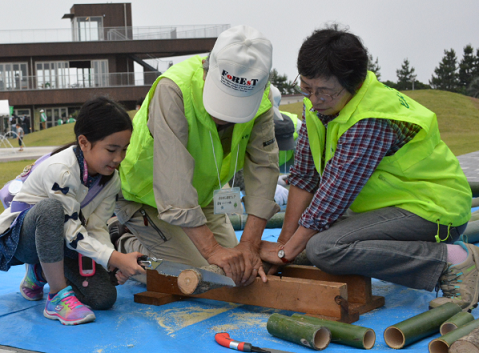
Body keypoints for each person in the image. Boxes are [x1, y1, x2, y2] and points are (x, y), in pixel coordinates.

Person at [260, 25, 478, 312]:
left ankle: (454, 260)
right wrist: (285, 244)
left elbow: (331, 200)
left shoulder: (371, 118)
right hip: (391, 208)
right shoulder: (319, 107)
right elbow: (304, 177)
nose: (313, 100)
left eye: (324, 92)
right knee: (312, 240)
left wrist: (286, 253)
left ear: (355, 83)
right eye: (306, 88)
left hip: (433, 210)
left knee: (324, 248)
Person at [114, 25, 279, 286]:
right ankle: (122, 241)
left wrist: (249, 244)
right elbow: (174, 186)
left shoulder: (263, 98)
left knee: (238, 270)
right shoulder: (173, 90)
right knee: (198, 275)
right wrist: (213, 251)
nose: (225, 116)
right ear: (206, 71)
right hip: (145, 198)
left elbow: (264, 167)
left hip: (203, 197)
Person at [0, 97, 145, 325]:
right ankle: (57, 295)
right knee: (51, 209)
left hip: (62, 241)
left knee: (103, 298)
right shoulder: (62, 170)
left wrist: (112, 263)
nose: (119, 158)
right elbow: (70, 231)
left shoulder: (111, 179)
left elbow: (96, 227)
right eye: (111, 149)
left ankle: (40, 272)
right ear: (84, 142)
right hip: (22, 239)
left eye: (124, 149)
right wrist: (115, 255)